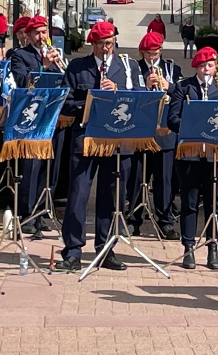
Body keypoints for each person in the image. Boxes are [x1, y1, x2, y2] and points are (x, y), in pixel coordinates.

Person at [54, 21, 144, 273]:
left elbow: (140, 97)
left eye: (110, 43)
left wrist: (117, 92)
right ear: (92, 45)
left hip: (117, 140)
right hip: (86, 138)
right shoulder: (77, 67)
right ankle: (72, 251)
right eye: (102, 44)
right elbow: (65, 102)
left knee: (113, 196)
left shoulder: (128, 66)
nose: (107, 48)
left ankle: (106, 248)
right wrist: (91, 99)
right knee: (78, 195)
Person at [167, 46, 218, 269]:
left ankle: (212, 247)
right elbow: (172, 119)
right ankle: (188, 247)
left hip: (217, 152)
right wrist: (192, 123)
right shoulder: (183, 87)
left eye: (211, 66)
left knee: (215, 203)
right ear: (196, 67)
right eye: (204, 66)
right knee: (190, 201)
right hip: (190, 152)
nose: (208, 70)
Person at [9, 16, 63, 233]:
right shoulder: (19, 56)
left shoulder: (56, 53)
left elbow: (63, 81)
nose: (42, 37)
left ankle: (42, 212)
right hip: (30, 119)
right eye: (37, 33)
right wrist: (45, 66)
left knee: (49, 169)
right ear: (29, 36)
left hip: (51, 116)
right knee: (30, 169)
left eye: (44, 32)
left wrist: (59, 67)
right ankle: (26, 215)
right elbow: (23, 82)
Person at [128, 31, 181, 240]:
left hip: (165, 132)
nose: (152, 57)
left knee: (164, 180)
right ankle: (133, 219)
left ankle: (165, 221)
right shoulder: (133, 68)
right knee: (137, 178)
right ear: (142, 53)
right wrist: (146, 86)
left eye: (155, 52)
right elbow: (129, 93)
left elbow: (182, 92)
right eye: (148, 53)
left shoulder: (172, 68)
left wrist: (170, 86)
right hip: (141, 131)